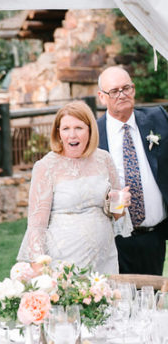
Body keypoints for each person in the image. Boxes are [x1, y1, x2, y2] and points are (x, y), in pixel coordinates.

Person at [17, 101, 131, 275]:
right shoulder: (45, 167)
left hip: (104, 260)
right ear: (58, 133)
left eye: (79, 128)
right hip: (63, 262)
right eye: (66, 129)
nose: (72, 135)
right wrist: (40, 273)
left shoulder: (104, 159)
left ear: (90, 130)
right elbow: (36, 226)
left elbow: (116, 213)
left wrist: (120, 202)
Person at [97, 66, 168, 275]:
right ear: (102, 97)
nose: (122, 95)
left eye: (126, 88)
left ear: (133, 90)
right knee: (118, 302)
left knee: (151, 300)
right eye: (114, 91)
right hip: (114, 238)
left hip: (154, 236)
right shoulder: (94, 134)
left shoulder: (158, 118)